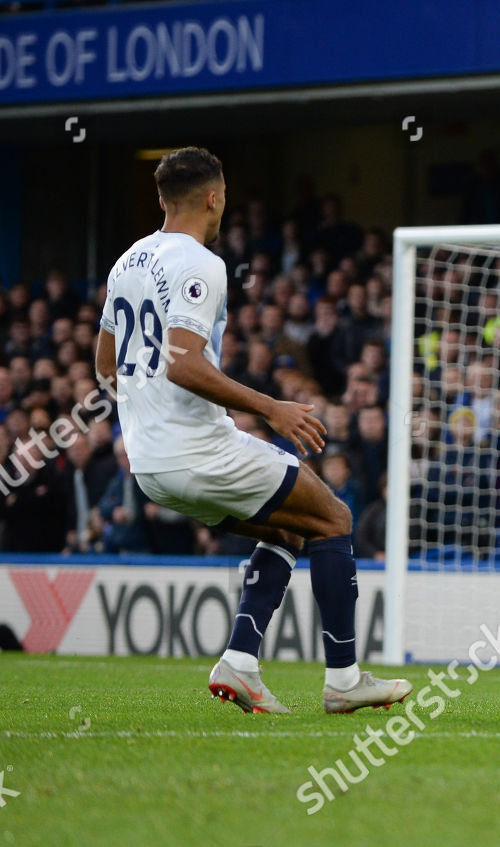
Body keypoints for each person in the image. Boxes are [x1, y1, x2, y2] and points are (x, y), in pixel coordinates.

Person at [97, 148, 409, 714]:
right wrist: (271, 407)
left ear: (161, 200)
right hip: (197, 451)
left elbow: (105, 363)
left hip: (148, 464)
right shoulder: (200, 262)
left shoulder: (127, 263)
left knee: (288, 528)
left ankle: (240, 662)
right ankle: (343, 680)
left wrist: (146, 414)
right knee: (333, 518)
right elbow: (184, 363)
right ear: (215, 197)